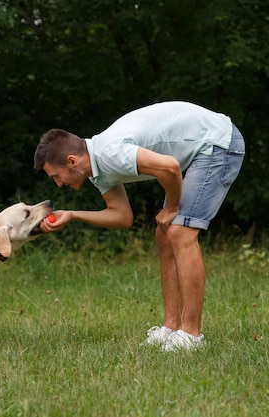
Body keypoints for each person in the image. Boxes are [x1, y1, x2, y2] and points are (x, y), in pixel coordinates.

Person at [34, 101, 245, 352]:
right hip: (202, 147)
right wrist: (73, 215)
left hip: (219, 141)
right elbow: (123, 216)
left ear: (71, 161)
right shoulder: (96, 170)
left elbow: (170, 167)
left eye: (56, 176)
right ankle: (171, 326)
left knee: (179, 232)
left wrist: (173, 207)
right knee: (164, 233)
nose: (58, 184)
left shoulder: (109, 153)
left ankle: (192, 335)